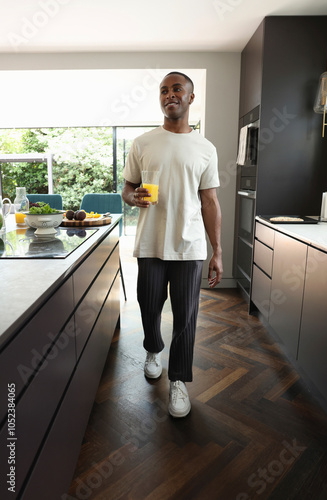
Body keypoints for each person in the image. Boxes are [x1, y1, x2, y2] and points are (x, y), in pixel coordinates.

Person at [122, 71, 222, 418]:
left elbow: (209, 202)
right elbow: (128, 189)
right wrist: (134, 199)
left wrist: (217, 250)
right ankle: (153, 349)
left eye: (177, 89)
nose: (170, 95)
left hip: (190, 246)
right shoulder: (143, 143)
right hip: (150, 242)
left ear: (190, 97)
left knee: (186, 316)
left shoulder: (205, 148)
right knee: (148, 306)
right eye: (164, 90)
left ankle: (178, 381)